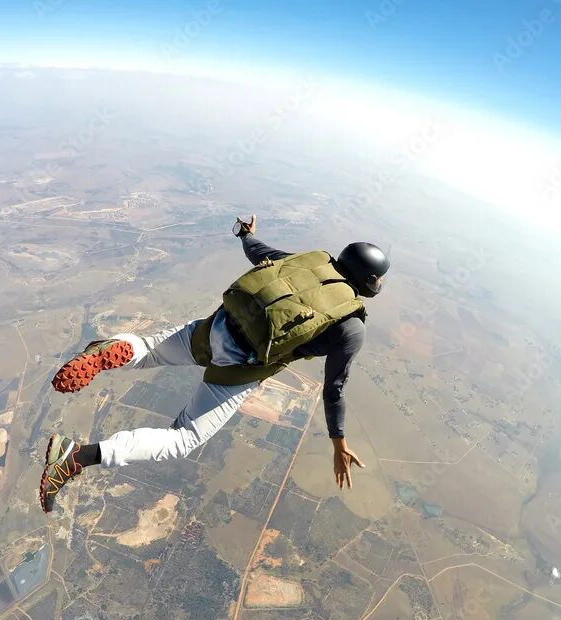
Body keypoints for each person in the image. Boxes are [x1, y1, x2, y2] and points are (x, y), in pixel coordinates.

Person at [38, 215, 390, 513]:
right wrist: (338, 442)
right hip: (240, 367)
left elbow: (260, 255)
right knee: (183, 438)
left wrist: (245, 233)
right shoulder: (351, 326)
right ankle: (75, 457)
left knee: (150, 349)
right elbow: (335, 389)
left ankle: (113, 347)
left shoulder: (311, 263)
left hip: (215, 328)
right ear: (369, 281)